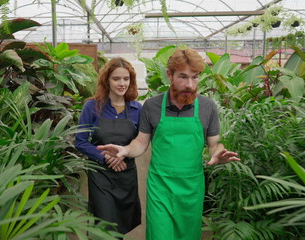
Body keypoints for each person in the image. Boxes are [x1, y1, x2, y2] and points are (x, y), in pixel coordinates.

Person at [97, 48, 241, 240]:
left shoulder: (207, 107)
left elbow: (215, 144)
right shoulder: (152, 106)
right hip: (160, 187)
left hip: (191, 188)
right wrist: (125, 149)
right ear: (170, 75)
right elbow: (141, 142)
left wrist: (219, 152)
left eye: (195, 77)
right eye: (183, 77)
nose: (190, 84)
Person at [74, 57, 142, 236]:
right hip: (101, 175)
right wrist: (106, 157)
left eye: (126, 79)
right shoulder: (92, 107)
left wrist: (122, 155)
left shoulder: (137, 109)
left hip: (126, 174)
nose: (122, 83)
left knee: (121, 224)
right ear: (107, 80)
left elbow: (141, 141)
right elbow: (80, 142)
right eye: (116, 78)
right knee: (103, 223)